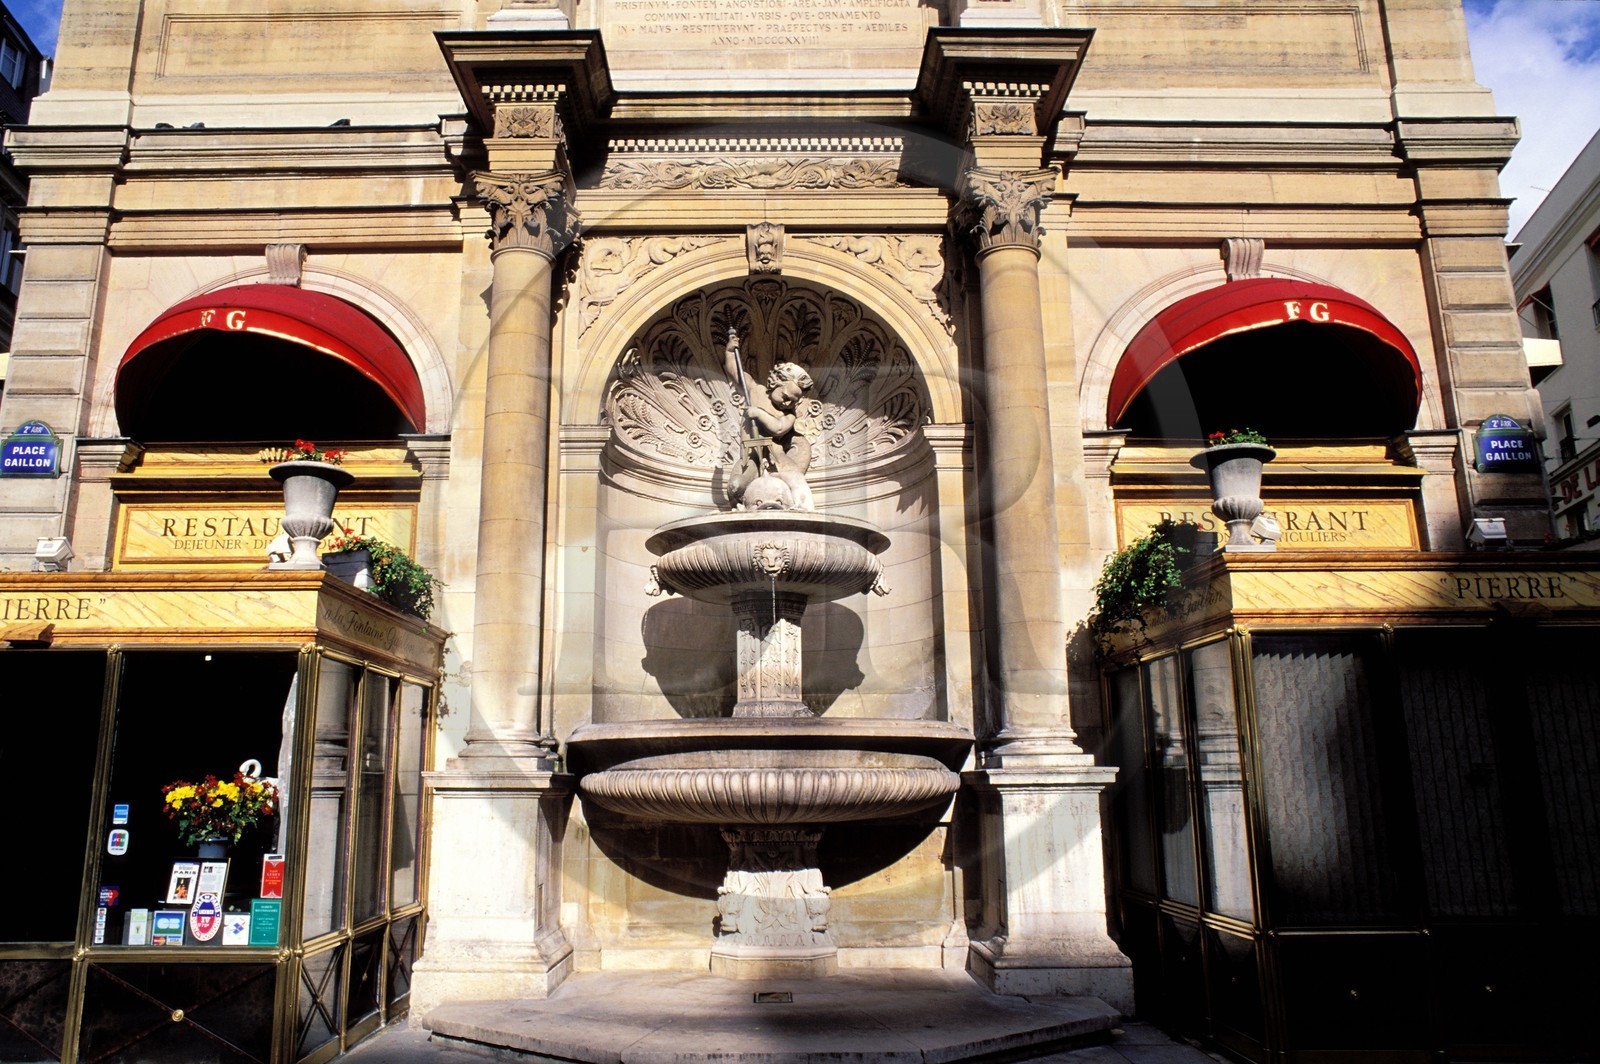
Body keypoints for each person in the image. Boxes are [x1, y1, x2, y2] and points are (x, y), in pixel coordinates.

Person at [722, 327, 815, 510]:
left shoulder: (789, 414)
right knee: (735, 486)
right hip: (751, 456)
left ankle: (801, 508)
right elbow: (736, 374)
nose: (787, 402)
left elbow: (778, 428)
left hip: (776, 457)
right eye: (785, 396)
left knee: (796, 479)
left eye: (793, 401)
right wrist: (730, 352)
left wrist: (758, 414)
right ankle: (741, 508)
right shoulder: (755, 391)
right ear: (775, 382)